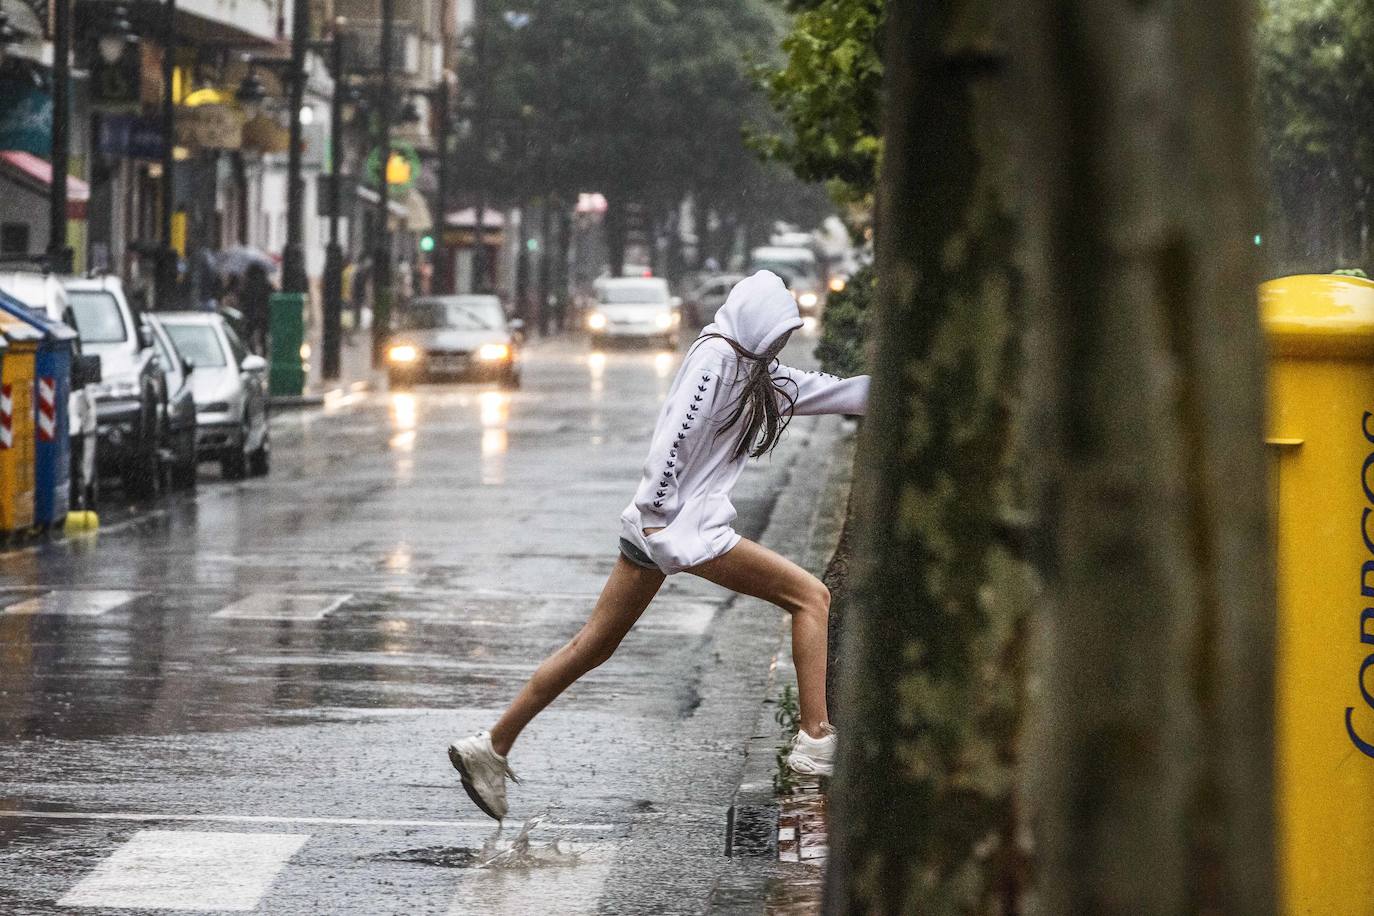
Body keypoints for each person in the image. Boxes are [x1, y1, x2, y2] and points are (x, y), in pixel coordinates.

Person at [448, 270, 870, 820]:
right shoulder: (716, 359)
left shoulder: (753, 369)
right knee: (810, 598)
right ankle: (816, 739)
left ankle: (491, 745)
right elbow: (674, 436)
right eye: (779, 332)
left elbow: (829, 391)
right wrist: (657, 516)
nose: (782, 343)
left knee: (592, 647)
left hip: (665, 530)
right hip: (679, 530)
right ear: (756, 323)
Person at [240, 262, 274, 355]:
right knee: (263, 337)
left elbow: (242, 298)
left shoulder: (247, 285)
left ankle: (252, 352)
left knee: (248, 335)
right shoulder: (266, 284)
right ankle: (264, 354)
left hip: (250, 314)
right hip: (264, 314)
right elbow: (272, 297)